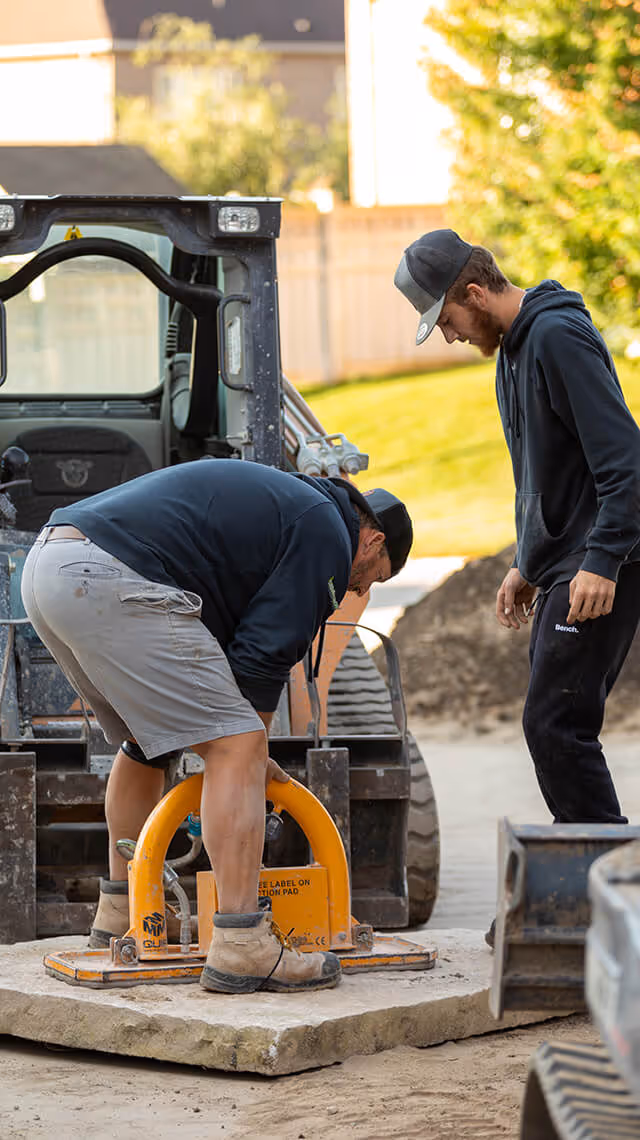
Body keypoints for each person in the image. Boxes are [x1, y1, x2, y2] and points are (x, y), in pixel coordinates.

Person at [21, 458, 412, 992]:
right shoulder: (327, 533)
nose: (361, 590)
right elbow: (263, 658)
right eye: (373, 576)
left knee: (145, 744)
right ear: (371, 541)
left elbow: (233, 652)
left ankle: (123, 914)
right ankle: (242, 943)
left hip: (49, 567)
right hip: (108, 574)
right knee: (238, 745)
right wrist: (249, 756)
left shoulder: (291, 505)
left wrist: (245, 749)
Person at [394, 229, 640, 853]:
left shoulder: (557, 337)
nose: (449, 335)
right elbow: (545, 472)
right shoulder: (512, 352)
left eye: (447, 319)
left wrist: (603, 559)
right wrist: (526, 561)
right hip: (566, 563)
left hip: (602, 563)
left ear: (475, 293)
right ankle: (590, 871)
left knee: (555, 722)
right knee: (554, 723)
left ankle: (601, 880)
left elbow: (626, 463)